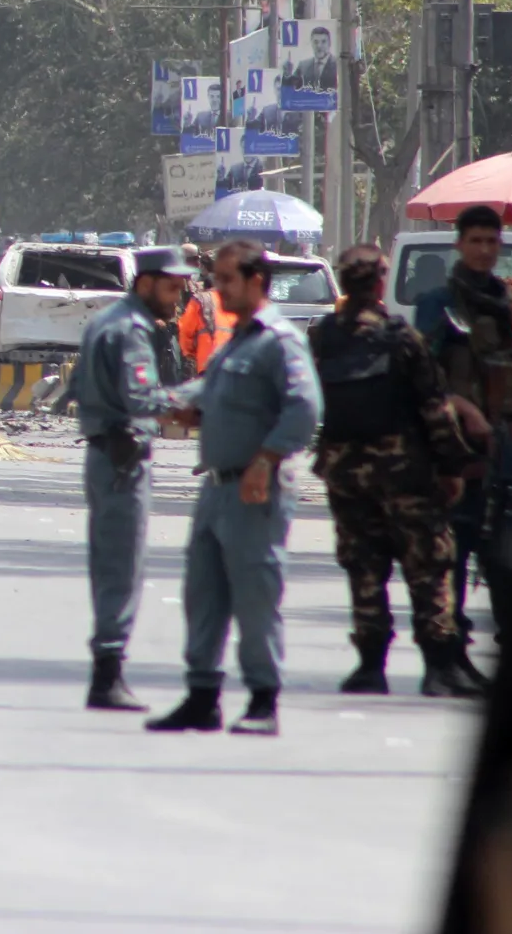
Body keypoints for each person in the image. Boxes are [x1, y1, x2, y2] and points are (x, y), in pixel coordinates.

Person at [146, 241, 321, 737]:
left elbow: (304, 409)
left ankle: (264, 699)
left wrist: (267, 459)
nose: (217, 289)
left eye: (226, 280)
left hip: (254, 486)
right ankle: (202, 697)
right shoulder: (237, 341)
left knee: (254, 595)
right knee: (203, 593)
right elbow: (210, 392)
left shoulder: (278, 340)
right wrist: (174, 403)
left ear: (256, 281)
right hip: (217, 486)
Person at [309, 246, 484, 698]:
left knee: (363, 567)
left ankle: (369, 666)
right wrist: (452, 467)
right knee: (428, 566)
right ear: (379, 282)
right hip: (404, 473)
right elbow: (434, 406)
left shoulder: (324, 336)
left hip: (346, 475)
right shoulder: (401, 337)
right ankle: (438, 667)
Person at [69, 245, 192, 711]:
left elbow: (78, 385)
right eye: (172, 288)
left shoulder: (105, 321)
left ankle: (107, 671)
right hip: (123, 457)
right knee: (122, 568)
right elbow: (142, 397)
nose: (178, 298)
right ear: (145, 284)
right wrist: (192, 399)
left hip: (104, 454)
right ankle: (108, 674)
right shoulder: (132, 330)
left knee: (110, 565)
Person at [416, 204, 512, 650]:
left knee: (508, 550)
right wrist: (464, 409)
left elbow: (508, 384)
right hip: (454, 447)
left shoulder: (501, 302)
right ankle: (448, 646)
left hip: (499, 446)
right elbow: (424, 377)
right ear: (459, 245)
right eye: (476, 240)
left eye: (491, 241)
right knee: (453, 548)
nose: (484, 249)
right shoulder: (438, 304)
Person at [177, 259, 240, 375]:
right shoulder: (237, 300)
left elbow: (185, 330)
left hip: (208, 361)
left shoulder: (200, 299)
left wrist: (189, 354)